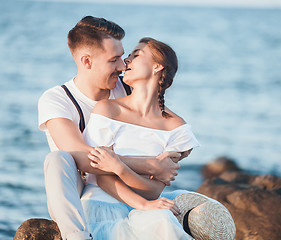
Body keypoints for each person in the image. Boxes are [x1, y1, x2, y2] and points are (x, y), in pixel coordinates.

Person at [38, 16, 182, 240]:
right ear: (87, 61)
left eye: (123, 57)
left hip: (125, 186)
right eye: (114, 59)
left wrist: (180, 145)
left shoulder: (126, 88)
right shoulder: (57, 99)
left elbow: (162, 117)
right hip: (76, 192)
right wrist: (151, 165)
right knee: (57, 160)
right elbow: (82, 158)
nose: (123, 65)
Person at [76, 37, 200, 239]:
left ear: (157, 66)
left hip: (146, 208)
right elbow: (102, 176)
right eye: (129, 56)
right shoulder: (109, 109)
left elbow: (153, 191)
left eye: (136, 55)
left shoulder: (176, 129)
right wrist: (143, 203)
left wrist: (118, 166)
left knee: (161, 221)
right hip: (103, 203)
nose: (126, 61)